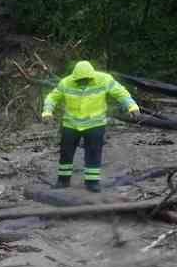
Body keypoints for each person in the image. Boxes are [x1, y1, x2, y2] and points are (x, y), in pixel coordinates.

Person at [42, 60, 140, 192]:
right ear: (74, 76)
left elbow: (121, 93)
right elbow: (52, 97)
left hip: (95, 123)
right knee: (66, 153)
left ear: (92, 76)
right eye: (79, 80)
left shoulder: (104, 79)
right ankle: (63, 181)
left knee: (93, 152)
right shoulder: (65, 82)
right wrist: (47, 111)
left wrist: (132, 106)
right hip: (71, 124)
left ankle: (92, 182)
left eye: (86, 79)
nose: (82, 82)